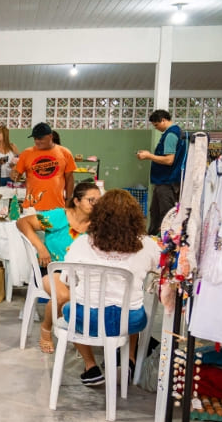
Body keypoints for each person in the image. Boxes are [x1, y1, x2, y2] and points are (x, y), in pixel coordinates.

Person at [59, 189, 161, 386]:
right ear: (135, 217)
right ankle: (128, 360)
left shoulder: (81, 243)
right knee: (132, 305)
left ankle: (91, 367)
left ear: (99, 216)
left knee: (68, 310)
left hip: (88, 319)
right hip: (129, 321)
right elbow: (163, 268)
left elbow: (67, 279)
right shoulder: (147, 245)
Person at [16, 181, 102, 353]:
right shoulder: (60, 217)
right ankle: (46, 329)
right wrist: (40, 248)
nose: (96, 205)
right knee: (63, 297)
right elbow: (23, 223)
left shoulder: (97, 224)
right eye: (91, 200)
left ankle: (80, 334)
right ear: (76, 201)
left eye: (99, 201)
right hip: (53, 267)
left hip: (84, 272)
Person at [137, 109, 186, 234]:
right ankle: (153, 238)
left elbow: (169, 160)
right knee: (155, 212)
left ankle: (165, 241)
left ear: (163, 120)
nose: (156, 128)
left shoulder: (171, 134)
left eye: (156, 125)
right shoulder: (177, 132)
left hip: (167, 181)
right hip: (165, 181)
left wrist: (149, 156)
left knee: (165, 214)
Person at [11, 122, 77, 211]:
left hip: (57, 207)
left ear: (50, 136)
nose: (37, 141)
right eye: (35, 138)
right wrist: (13, 174)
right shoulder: (26, 153)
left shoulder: (65, 153)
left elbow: (69, 179)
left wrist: (69, 199)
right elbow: (16, 176)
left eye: (40, 138)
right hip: (32, 207)